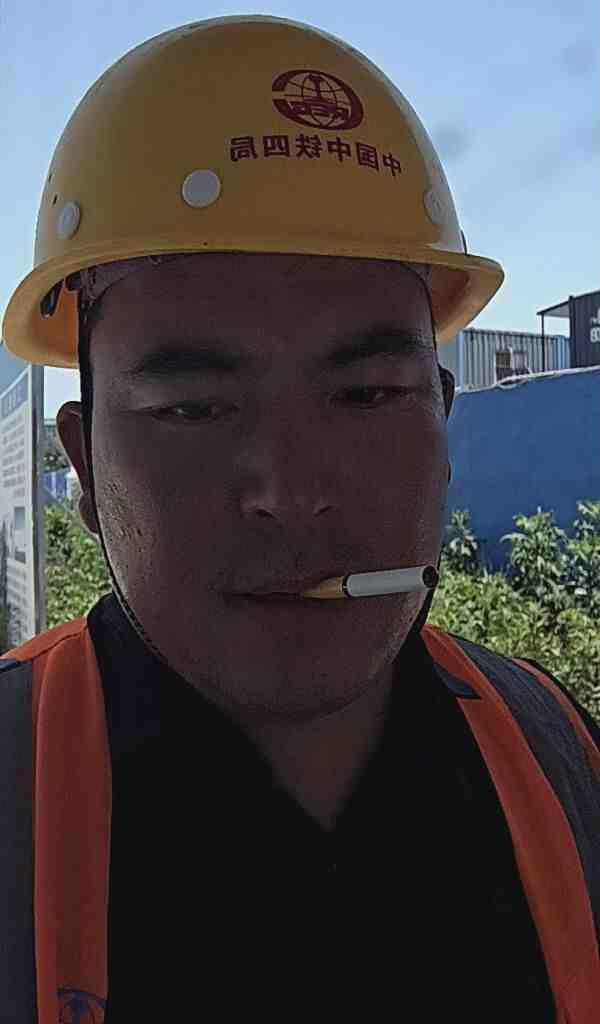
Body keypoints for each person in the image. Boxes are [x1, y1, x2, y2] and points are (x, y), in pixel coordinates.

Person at [2, 16, 599, 1024]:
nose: (289, 488)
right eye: (194, 407)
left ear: (444, 422)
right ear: (87, 466)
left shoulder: (562, 757)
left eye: (367, 394)